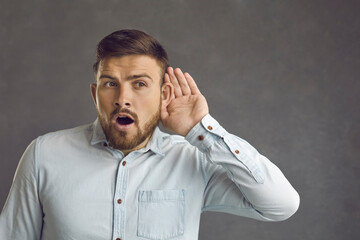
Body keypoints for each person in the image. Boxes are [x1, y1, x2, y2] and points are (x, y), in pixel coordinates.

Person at [0, 29, 299, 240]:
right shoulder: (44, 155)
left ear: (163, 94)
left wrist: (203, 129)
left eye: (139, 84)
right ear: (95, 94)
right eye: (109, 83)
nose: (122, 98)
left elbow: (281, 205)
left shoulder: (192, 160)